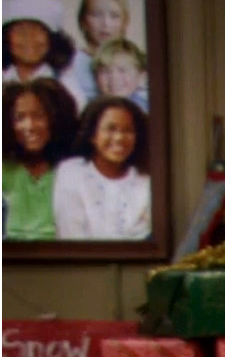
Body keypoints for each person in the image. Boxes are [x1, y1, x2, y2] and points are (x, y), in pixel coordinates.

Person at [52, 96, 150, 240]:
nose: (119, 138)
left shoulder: (146, 180)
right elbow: (71, 234)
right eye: (111, 129)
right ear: (92, 135)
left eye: (128, 130)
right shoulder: (71, 172)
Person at [1, 78, 79, 240]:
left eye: (38, 116)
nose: (29, 126)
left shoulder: (74, 170)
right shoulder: (5, 169)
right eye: (19, 118)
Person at [2, 0, 85, 109]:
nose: (29, 38)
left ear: (52, 38)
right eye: (20, 31)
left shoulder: (67, 86)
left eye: (38, 30)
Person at [67, 0, 131, 104]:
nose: (106, 24)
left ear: (125, 22)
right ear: (83, 21)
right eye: (96, 14)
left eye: (114, 16)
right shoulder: (71, 64)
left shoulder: (133, 62)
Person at [92, 38, 148, 112]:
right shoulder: (95, 108)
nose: (114, 78)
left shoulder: (144, 108)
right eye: (106, 71)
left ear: (141, 76)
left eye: (122, 70)